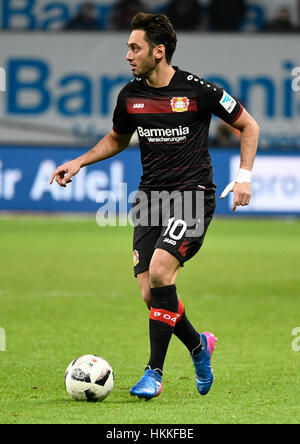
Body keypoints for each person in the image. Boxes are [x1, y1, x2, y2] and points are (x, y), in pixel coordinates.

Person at [50, 13, 259, 400]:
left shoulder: (199, 91)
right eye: (128, 47)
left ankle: (154, 373)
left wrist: (244, 176)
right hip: (150, 199)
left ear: (158, 52)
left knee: (163, 272)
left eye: (135, 47)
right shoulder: (130, 95)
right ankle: (199, 345)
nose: (128, 54)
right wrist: (79, 161)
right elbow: (116, 138)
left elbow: (249, 126)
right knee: (151, 294)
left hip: (192, 195)